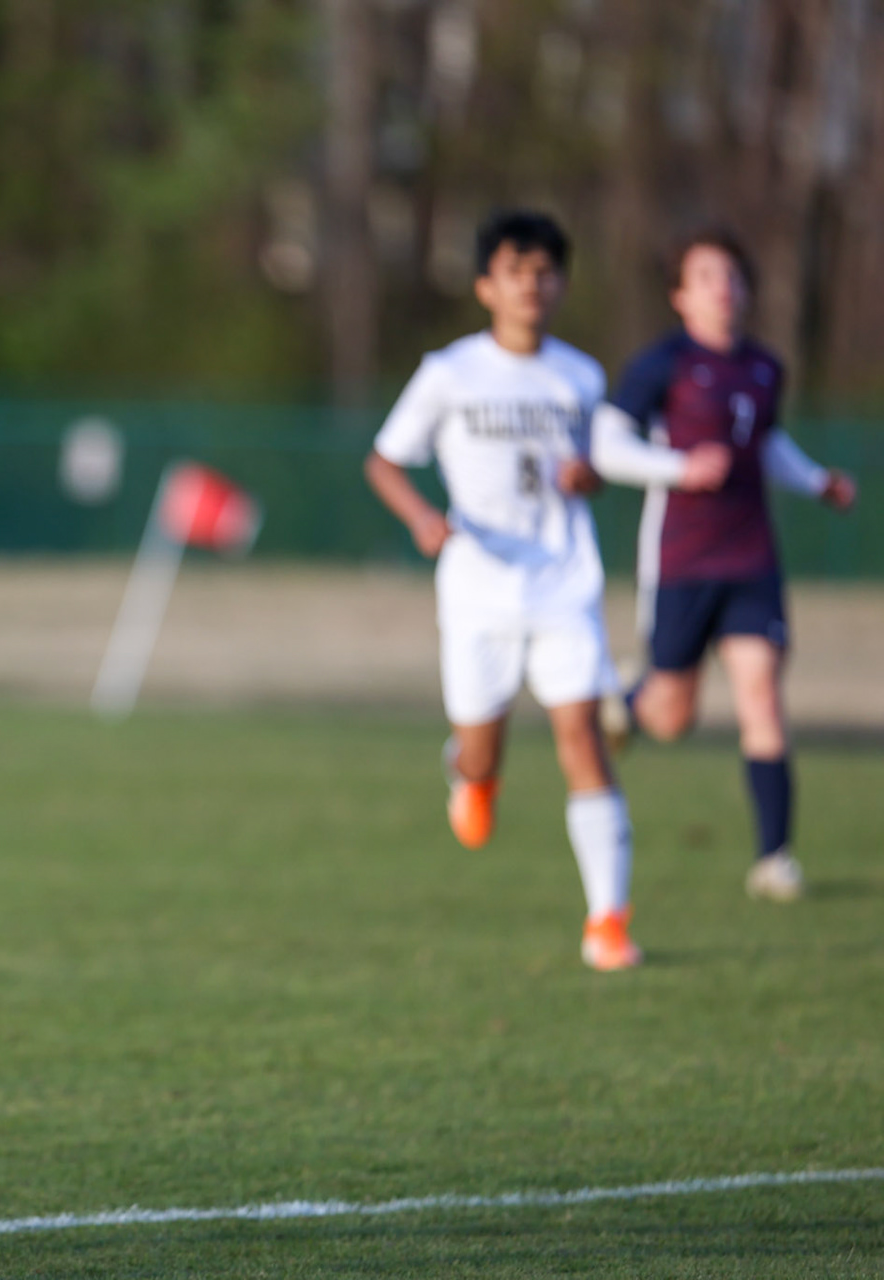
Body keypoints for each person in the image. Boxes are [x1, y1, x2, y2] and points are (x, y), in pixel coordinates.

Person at [364, 210, 643, 972]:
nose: (533, 285)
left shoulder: (581, 377)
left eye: (547, 272)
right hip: (479, 592)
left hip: (563, 584)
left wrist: (591, 476)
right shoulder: (450, 373)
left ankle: (607, 922)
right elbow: (384, 461)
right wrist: (424, 517)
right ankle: (471, 772)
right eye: (517, 271)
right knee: (485, 750)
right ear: (487, 285)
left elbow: (602, 467)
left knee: (582, 736)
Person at [593, 228, 858, 902]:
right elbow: (606, 448)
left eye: (732, 275)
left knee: (761, 693)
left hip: (751, 557)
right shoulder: (662, 365)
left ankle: (775, 859)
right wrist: (680, 467)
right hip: (682, 561)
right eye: (707, 276)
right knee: (671, 719)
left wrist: (815, 481)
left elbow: (763, 445)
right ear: (682, 296)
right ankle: (629, 698)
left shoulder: (765, 368)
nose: (724, 287)